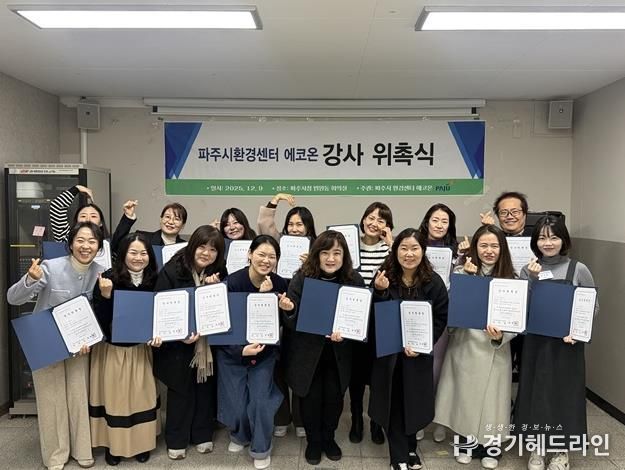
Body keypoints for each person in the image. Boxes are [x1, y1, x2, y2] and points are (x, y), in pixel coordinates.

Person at [7, 222, 105, 470]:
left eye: (92, 241)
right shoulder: (50, 267)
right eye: (80, 240)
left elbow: (100, 312)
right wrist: (30, 279)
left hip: (80, 347)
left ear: (99, 247)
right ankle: (56, 455)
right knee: (51, 400)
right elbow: (13, 298)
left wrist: (92, 338)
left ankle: (82, 449)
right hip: (47, 343)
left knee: (78, 397)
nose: (86, 246)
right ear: (70, 244)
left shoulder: (101, 273)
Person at [514, 215, 598, 470]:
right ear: (535, 241)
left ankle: (561, 450)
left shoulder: (578, 269)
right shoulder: (528, 269)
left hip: (567, 344)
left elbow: (592, 306)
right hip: (536, 342)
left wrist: (578, 332)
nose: (548, 243)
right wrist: (532, 280)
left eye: (553, 237)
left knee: (565, 394)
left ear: (564, 240)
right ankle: (537, 446)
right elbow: (521, 308)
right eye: (542, 238)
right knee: (536, 392)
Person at [434, 224, 516, 469]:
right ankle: (465, 442)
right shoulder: (462, 271)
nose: (489, 250)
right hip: (465, 344)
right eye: (484, 245)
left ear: (502, 248)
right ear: (475, 248)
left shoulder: (511, 279)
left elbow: (516, 318)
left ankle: (491, 447)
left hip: (495, 347)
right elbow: (449, 307)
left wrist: (502, 335)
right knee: (464, 398)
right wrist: (465, 280)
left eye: (494, 245)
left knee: (493, 402)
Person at [283, 231, 365, 465]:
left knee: (334, 398)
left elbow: (361, 320)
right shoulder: (302, 278)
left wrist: (347, 334)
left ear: (344, 256)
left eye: (337, 253)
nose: (331, 258)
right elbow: (291, 322)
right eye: (325, 252)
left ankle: (328, 438)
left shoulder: (354, 280)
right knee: (310, 398)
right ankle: (313, 441)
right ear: (316, 255)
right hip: (308, 352)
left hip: (339, 353)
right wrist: (289, 310)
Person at [370, 228, 449, 470]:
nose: (409, 254)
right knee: (394, 404)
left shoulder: (433, 281)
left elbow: (440, 318)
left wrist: (424, 344)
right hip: (390, 356)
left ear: (423, 251)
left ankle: (411, 448)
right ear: (395, 250)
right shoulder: (384, 276)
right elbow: (373, 315)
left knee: (413, 403)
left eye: (414, 248)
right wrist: (379, 291)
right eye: (403, 248)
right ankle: (399, 457)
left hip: (417, 355)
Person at [218, 235, 294, 469]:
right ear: (250, 254)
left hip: (264, 353)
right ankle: (239, 434)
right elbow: (223, 323)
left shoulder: (280, 284)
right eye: (261, 254)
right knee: (236, 402)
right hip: (233, 352)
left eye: (272, 256)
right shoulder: (232, 283)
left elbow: (282, 323)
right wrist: (240, 350)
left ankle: (261, 448)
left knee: (261, 401)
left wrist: (286, 310)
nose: (266, 260)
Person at [153, 225, 227, 460]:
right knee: (181, 390)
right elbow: (161, 308)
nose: (207, 253)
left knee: (205, 387)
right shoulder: (172, 270)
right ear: (193, 245)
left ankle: (202, 434)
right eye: (202, 247)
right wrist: (180, 334)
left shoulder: (219, 270)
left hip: (207, 343)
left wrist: (215, 288)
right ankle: (176, 439)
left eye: (213, 250)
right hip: (177, 343)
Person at [89, 233, 160, 465]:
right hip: (114, 351)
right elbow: (99, 321)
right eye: (133, 252)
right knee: (116, 400)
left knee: (141, 398)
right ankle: (114, 446)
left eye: (143, 253)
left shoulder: (155, 279)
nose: (138, 258)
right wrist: (106, 296)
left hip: (141, 350)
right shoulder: (108, 278)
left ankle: (142, 444)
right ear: (123, 254)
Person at [256, 193, 314, 438]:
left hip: (303, 315)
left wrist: (311, 264)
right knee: (277, 364)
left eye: (300, 224)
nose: (295, 228)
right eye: (291, 224)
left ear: (309, 227)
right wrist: (275, 201)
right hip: (276, 309)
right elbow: (264, 225)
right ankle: (281, 417)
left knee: (301, 365)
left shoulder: (317, 248)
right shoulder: (279, 243)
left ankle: (301, 419)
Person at [415, 203, 468, 443]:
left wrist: (464, 258)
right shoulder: (415, 244)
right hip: (416, 310)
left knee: (439, 368)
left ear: (450, 226)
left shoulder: (458, 250)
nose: (439, 225)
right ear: (427, 221)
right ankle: (418, 418)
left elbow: (462, 283)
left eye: (444, 221)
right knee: (418, 367)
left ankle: (438, 420)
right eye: (435, 220)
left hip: (443, 312)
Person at [350, 202, 394, 445]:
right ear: (363, 219)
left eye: (381, 220)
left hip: (380, 320)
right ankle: (356, 419)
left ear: (387, 226)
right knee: (356, 376)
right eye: (370, 217)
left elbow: (402, 272)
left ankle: (376, 421)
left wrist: (392, 244)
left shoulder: (391, 250)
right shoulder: (350, 245)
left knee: (378, 376)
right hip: (355, 319)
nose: (374, 223)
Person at [49, 184, 136, 256]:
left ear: (100, 223)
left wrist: (128, 216)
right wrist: (77, 188)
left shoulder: (107, 245)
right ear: (76, 221)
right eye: (83, 216)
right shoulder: (67, 238)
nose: (88, 219)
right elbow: (56, 207)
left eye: (93, 216)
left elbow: (118, 238)